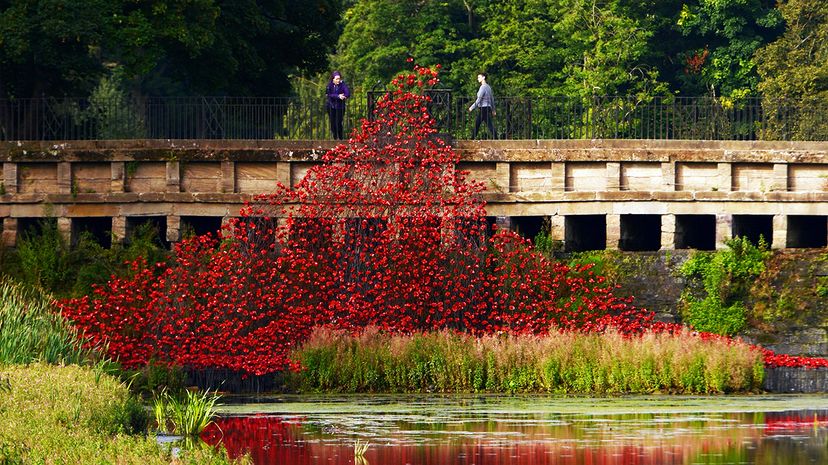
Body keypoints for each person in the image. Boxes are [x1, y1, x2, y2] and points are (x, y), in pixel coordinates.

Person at [468, 72, 496, 139]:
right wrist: (493, 109)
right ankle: (496, 137)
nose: (478, 79)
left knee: (477, 124)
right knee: (488, 124)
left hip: (483, 108)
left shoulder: (482, 87)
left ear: (483, 77)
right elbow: (492, 99)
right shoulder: (488, 87)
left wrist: (471, 108)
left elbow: (479, 99)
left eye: (479, 77)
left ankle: (472, 139)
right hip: (488, 107)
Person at [325, 71, 350, 140]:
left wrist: (343, 96)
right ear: (333, 79)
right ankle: (335, 136)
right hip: (331, 106)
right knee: (333, 122)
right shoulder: (329, 85)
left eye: (339, 79)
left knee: (338, 122)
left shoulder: (342, 84)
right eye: (336, 79)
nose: (338, 80)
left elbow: (347, 93)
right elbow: (328, 95)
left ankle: (340, 137)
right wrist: (338, 96)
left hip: (340, 107)